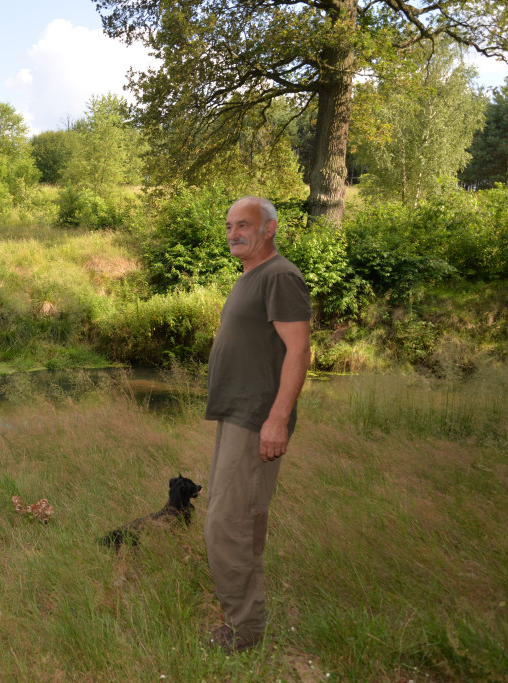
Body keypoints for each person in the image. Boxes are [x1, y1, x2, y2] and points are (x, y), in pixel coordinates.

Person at [203, 196, 312, 653]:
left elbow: (299, 350)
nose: (233, 233)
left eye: (243, 225)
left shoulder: (281, 276)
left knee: (230, 524)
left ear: (268, 228)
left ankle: (245, 631)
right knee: (231, 518)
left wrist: (277, 419)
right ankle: (241, 619)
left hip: (256, 420)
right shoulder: (250, 276)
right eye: (229, 225)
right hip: (236, 415)